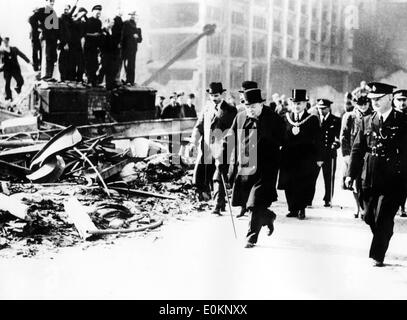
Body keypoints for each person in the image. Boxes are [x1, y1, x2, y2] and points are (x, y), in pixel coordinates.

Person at [345, 82, 407, 267]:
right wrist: (351, 174)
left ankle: (377, 255)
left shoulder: (403, 120)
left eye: (378, 99)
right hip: (369, 176)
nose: (374, 103)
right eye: (372, 100)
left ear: (390, 98)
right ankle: (384, 233)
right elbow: (357, 149)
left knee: (383, 216)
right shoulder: (367, 120)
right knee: (369, 216)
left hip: (394, 177)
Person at [223, 88, 285, 248]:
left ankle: (251, 238)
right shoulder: (240, 116)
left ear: (261, 104)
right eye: (247, 105)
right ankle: (268, 217)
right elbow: (230, 138)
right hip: (245, 167)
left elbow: (283, 141)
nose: (249, 109)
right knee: (248, 203)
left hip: (266, 168)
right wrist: (219, 156)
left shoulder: (274, 119)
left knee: (255, 203)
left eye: (253, 106)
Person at [189, 82, 237, 215]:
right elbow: (198, 126)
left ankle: (218, 204)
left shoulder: (230, 110)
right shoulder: (206, 108)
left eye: (216, 95)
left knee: (219, 174)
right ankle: (212, 200)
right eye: (211, 96)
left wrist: (227, 145)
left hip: (222, 147)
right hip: (206, 147)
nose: (213, 98)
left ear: (222, 94)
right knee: (201, 174)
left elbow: (232, 131)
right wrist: (193, 141)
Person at [278, 89, 323, 220]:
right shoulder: (285, 118)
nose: (296, 106)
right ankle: (292, 208)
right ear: (291, 104)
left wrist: (319, 158)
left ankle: (301, 209)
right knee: (289, 183)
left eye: (299, 104)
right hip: (288, 157)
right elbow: (281, 137)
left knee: (303, 184)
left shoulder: (312, 119)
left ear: (305, 104)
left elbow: (319, 140)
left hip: (305, 158)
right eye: (294, 103)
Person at [341, 95, 372, 219]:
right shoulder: (349, 116)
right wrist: (346, 155)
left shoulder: (373, 115)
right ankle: (357, 206)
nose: (363, 106)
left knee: (364, 182)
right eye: (360, 104)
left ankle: (365, 207)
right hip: (353, 154)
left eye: (365, 104)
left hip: (367, 154)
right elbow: (344, 136)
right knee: (353, 182)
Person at [313, 99, 341, 207]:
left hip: (329, 154)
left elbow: (339, 138)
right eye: (319, 108)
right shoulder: (314, 119)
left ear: (329, 108)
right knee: (312, 177)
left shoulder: (336, 120)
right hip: (316, 154)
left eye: (323, 108)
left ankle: (328, 199)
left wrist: (336, 144)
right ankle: (308, 199)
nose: (321, 110)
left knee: (329, 177)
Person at [0, 37, 31, 101]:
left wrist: (29, 61)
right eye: (4, 42)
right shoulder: (2, 51)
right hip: (7, 70)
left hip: (15, 69)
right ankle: (8, 98)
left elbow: (22, 55)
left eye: (6, 41)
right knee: (7, 84)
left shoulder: (14, 49)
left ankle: (17, 88)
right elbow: (1, 62)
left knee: (21, 81)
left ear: (8, 41)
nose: (5, 43)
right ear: (3, 43)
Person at [392, 89, 407, 217]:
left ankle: (402, 206)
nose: (402, 103)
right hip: (393, 154)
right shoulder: (391, 116)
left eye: (404, 100)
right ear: (393, 101)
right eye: (399, 100)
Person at [36, 0, 59, 80]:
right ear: (46, 1)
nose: (52, 3)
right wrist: (40, 30)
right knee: (46, 56)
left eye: (53, 1)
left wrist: (58, 38)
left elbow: (56, 28)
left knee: (52, 57)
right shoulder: (42, 11)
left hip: (53, 39)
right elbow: (32, 19)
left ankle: (49, 75)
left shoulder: (53, 12)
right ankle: (44, 74)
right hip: (46, 38)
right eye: (50, 1)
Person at [99, 17, 122, 90]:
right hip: (106, 54)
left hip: (112, 54)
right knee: (106, 69)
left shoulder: (111, 31)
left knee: (111, 70)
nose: (113, 24)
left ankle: (110, 85)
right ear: (107, 23)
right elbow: (103, 43)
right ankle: (103, 83)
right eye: (112, 22)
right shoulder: (103, 31)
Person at [121, 10, 143, 85]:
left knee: (131, 65)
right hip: (126, 47)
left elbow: (140, 40)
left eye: (133, 15)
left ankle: (130, 80)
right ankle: (127, 80)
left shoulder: (138, 28)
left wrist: (137, 37)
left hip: (133, 48)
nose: (132, 16)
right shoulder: (126, 23)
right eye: (131, 14)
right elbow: (123, 35)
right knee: (127, 64)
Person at [58, 3, 78, 81]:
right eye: (65, 9)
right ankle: (63, 77)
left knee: (71, 61)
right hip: (64, 43)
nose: (66, 11)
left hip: (72, 44)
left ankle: (70, 77)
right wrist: (64, 43)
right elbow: (61, 32)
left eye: (67, 9)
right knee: (63, 61)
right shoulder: (61, 19)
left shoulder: (70, 20)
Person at [84, 5, 103, 87]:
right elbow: (84, 34)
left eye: (100, 11)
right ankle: (89, 80)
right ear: (93, 11)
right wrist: (93, 35)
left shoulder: (99, 22)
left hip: (95, 47)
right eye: (97, 11)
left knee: (95, 64)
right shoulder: (88, 21)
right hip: (88, 46)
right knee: (88, 63)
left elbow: (99, 34)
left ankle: (93, 81)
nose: (98, 12)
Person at [70, 7, 88, 82]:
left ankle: (79, 77)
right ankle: (72, 77)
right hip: (74, 43)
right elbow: (72, 24)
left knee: (81, 62)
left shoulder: (84, 21)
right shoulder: (74, 19)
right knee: (73, 61)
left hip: (81, 43)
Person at [28, 7, 42, 72]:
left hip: (38, 37)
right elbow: (34, 27)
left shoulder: (38, 19)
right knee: (36, 52)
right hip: (35, 37)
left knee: (38, 52)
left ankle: (38, 66)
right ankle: (36, 66)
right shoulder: (33, 18)